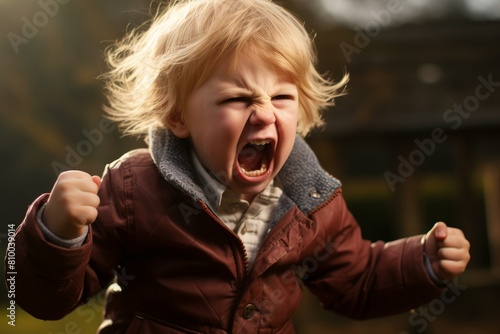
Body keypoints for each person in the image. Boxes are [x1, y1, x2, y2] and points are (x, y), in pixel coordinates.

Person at [6, 0, 470, 333]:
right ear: (178, 116)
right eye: (236, 98)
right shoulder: (134, 189)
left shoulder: (311, 200)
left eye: (283, 97)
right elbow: (43, 301)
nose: (265, 113)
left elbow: (356, 281)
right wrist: (58, 233)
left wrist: (423, 262)